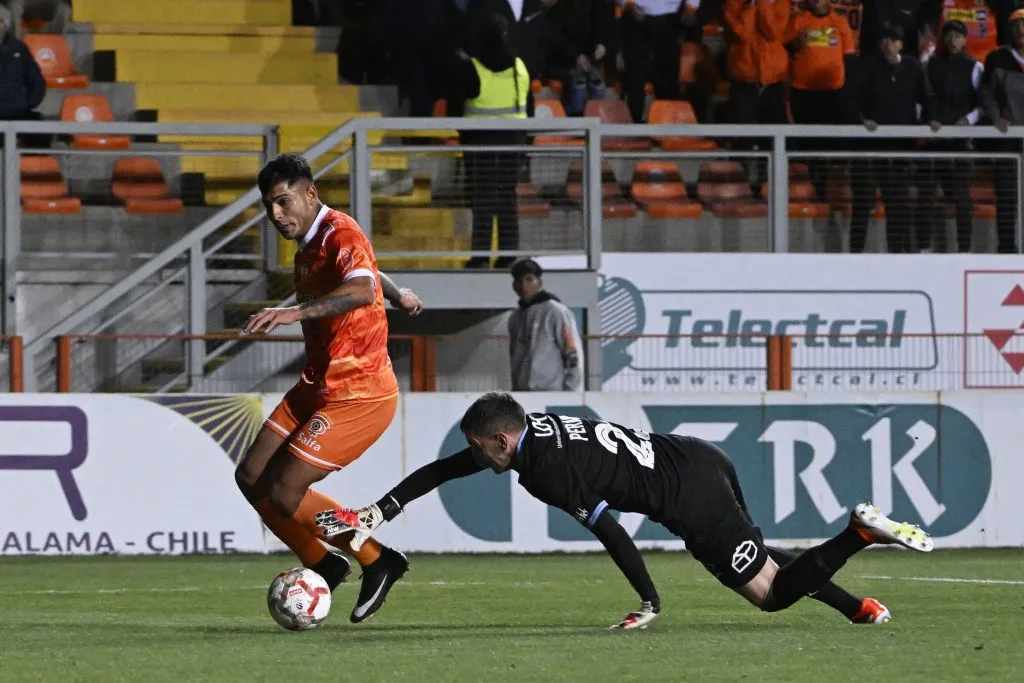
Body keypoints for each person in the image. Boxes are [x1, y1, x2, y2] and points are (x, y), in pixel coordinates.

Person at [317, 392, 929, 628]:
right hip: (696, 454)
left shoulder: (544, 472)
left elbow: (614, 534)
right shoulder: (537, 430)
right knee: (758, 556)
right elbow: (450, 467)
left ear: (502, 441)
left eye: (483, 449)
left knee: (769, 594)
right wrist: (382, 510)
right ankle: (857, 609)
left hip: (687, 496)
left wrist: (650, 599)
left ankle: (856, 534)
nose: (478, 458)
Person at [235, 153, 424, 624]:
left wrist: (293, 313)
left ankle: (377, 558)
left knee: (284, 491)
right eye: (269, 206)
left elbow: (359, 288)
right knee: (250, 477)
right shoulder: (313, 242)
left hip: (359, 394)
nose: (277, 214)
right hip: (317, 384)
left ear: (310, 194)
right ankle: (323, 563)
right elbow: (366, 273)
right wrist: (397, 293)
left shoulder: (340, 231)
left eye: (284, 201)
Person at [451, 10, 532, 269]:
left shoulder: (470, 67)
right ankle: (509, 255)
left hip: (480, 144)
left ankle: (480, 257)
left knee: (482, 200)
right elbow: (528, 107)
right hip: (513, 144)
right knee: (507, 197)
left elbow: (456, 104)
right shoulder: (520, 66)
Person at [850, 23, 938, 253]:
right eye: (884, 41)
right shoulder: (867, 67)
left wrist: (931, 120)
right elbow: (851, 100)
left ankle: (898, 256)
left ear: (900, 44)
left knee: (898, 206)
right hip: (868, 149)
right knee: (862, 205)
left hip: (900, 149)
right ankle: (855, 256)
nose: (887, 46)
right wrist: (862, 121)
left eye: (892, 41)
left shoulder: (912, 67)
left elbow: (927, 97)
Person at [784, 0, 859, 204]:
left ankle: (829, 193)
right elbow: (783, 47)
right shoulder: (798, 20)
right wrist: (797, 43)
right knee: (808, 145)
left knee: (830, 145)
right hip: (803, 91)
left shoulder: (840, 22)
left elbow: (849, 58)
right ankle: (813, 192)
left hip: (832, 91)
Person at [919, 19, 982, 252]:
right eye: (948, 35)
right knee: (926, 197)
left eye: (957, 36)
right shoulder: (929, 63)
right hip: (933, 140)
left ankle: (964, 250)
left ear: (965, 39)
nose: (952, 40)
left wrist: (969, 119)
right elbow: (923, 96)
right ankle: (924, 248)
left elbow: (982, 103)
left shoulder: (975, 67)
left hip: (960, 143)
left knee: (962, 200)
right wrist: (928, 120)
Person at [979, 5, 1024, 253]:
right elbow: (987, 95)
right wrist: (997, 118)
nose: (1022, 30)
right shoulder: (997, 59)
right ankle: (1006, 251)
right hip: (1008, 144)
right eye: (1016, 25)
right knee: (1007, 200)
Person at [508, 258, 583, 391]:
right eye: (519, 281)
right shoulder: (515, 318)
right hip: (522, 393)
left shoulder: (555, 311)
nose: (524, 285)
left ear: (539, 282)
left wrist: (570, 391)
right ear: (514, 285)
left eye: (529, 279)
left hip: (551, 392)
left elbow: (572, 351)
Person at [0, 4, 46, 131]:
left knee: (41, 131)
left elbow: (36, 81)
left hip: (16, 112)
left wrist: (26, 104)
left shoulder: (19, 48)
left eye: (0, 21)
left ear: (6, 25)